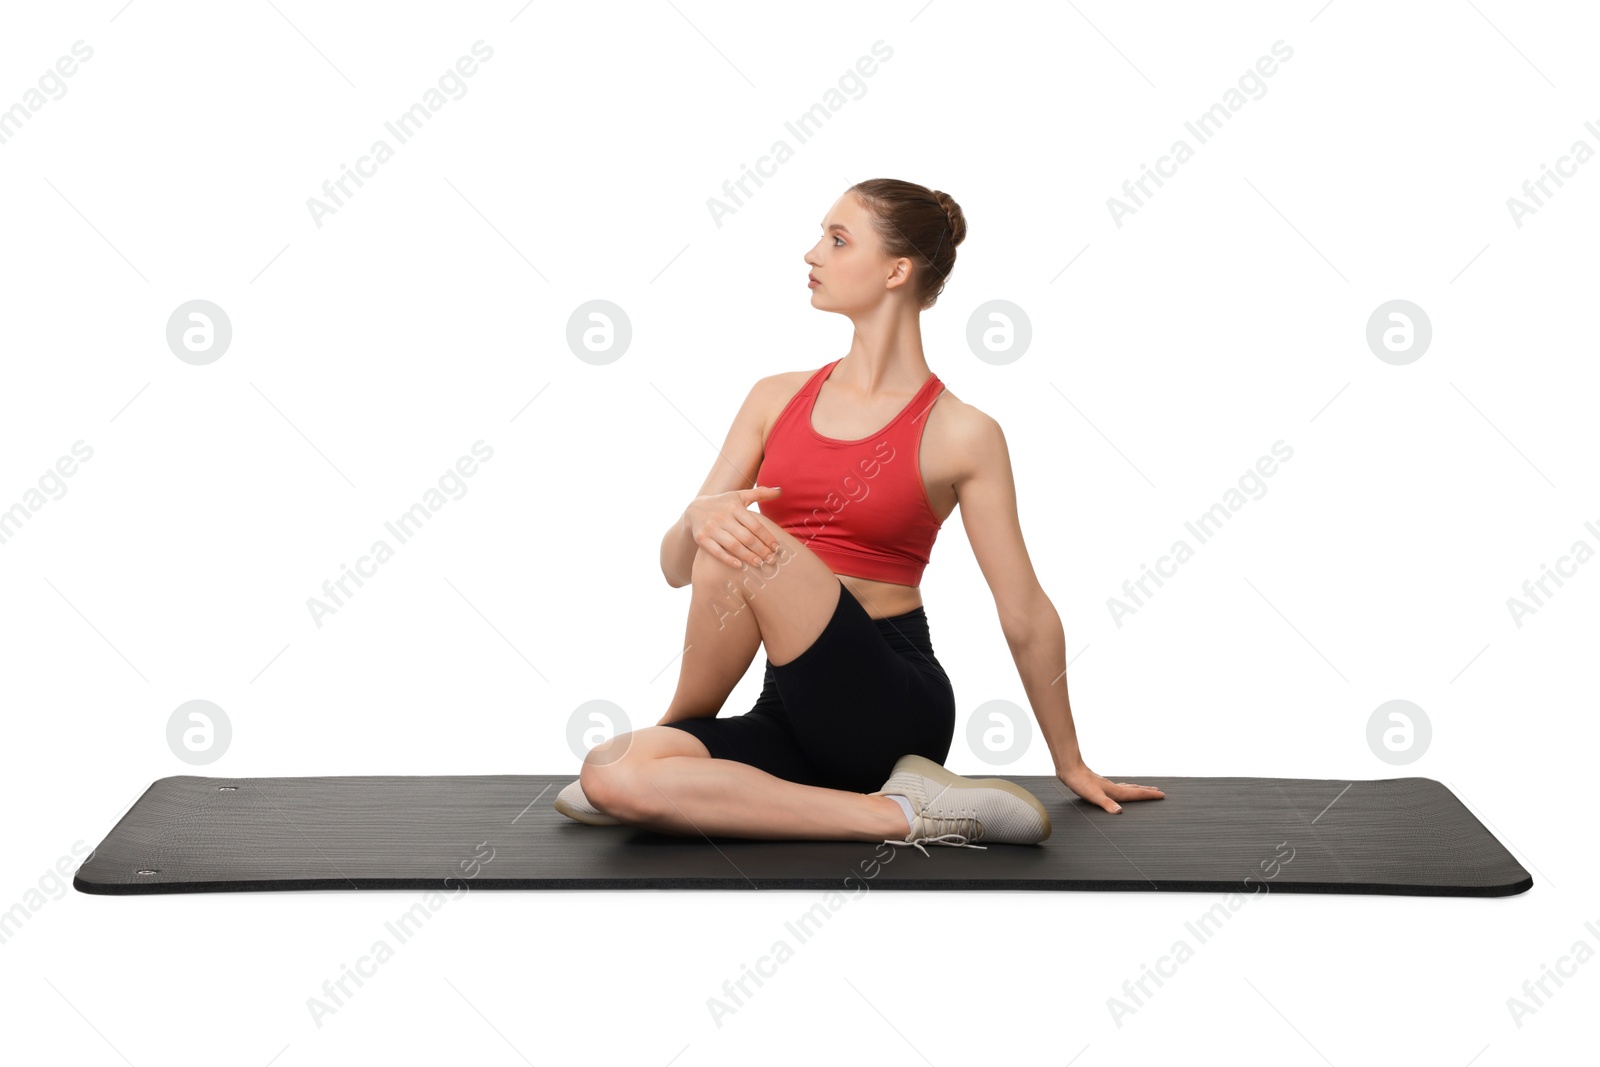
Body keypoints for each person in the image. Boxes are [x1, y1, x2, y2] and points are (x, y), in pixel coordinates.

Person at [556, 178, 1164, 854]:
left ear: (897, 270)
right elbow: (679, 567)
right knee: (610, 772)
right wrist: (696, 517)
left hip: (892, 700)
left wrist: (1070, 760)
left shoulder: (962, 432)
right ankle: (898, 814)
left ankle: (700, 753)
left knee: (750, 544)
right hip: (786, 711)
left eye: (838, 239)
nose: (811, 253)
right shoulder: (772, 397)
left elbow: (1023, 609)